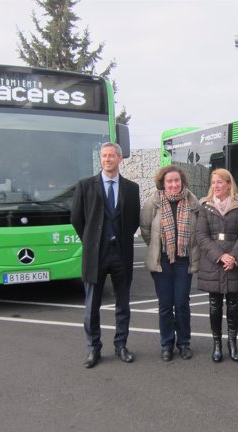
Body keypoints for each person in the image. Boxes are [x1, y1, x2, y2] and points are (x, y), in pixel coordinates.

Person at [71, 142, 140, 369]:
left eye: (111, 156)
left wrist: (118, 239)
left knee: (123, 304)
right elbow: (77, 220)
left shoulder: (131, 188)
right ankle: (93, 348)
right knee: (92, 306)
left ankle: (121, 345)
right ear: (100, 159)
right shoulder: (85, 186)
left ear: (120, 159)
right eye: (104, 156)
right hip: (96, 255)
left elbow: (133, 221)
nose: (107, 159)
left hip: (121, 254)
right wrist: (91, 241)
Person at [140, 165, 200, 362]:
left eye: (177, 181)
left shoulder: (193, 202)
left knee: (182, 303)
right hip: (162, 261)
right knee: (165, 304)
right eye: (170, 181)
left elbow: (199, 230)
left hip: (184, 261)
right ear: (163, 183)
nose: (174, 184)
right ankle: (166, 343)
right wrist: (157, 247)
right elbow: (146, 230)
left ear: (182, 182)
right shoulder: (153, 203)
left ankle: (184, 343)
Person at [196, 168, 238, 363]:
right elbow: (202, 236)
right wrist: (221, 256)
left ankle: (233, 344)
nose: (216, 186)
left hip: (235, 262)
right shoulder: (205, 205)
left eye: (220, 182)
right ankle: (217, 345)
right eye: (213, 182)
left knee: (233, 303)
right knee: (214, 304)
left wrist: (233, 256)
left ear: (229, 184)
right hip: (213, 261)